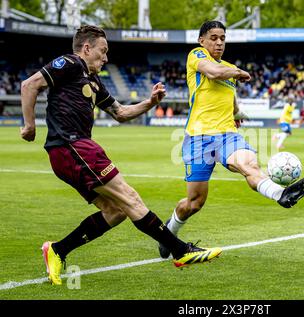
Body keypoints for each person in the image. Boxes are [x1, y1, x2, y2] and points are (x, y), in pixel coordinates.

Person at [20, 25, 221, 285]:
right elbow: (29, 84)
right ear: (87, 48)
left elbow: (120, 113)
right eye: (103, 52)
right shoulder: (70, 63)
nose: (106, 58)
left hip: (74, 152)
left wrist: (150, 103)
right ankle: (180, 251)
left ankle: (58, 250)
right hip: (73, 146)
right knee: (130, 198)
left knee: (116, 211)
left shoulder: (94, 81)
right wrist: (29, 125)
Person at [158, 21, 304, 258]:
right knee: (194, 202)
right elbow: (213, 72)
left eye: (222, 38)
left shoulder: (229, 68)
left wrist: (237, 113)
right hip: (198, 137)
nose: (219, 42)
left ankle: (281, 194)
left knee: (248, 164)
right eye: (213, 37)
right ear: (202, 40)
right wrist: (239, 72)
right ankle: (168, 234)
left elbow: (230, 97)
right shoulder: (197, 56)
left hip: (226, 135)